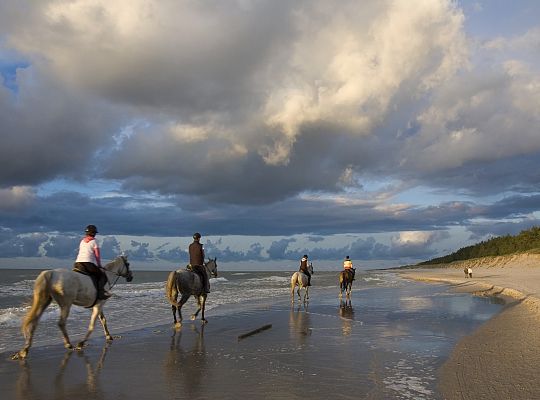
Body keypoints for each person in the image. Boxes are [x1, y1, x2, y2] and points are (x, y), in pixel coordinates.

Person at [73, 225, 111, 300]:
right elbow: (97, 255)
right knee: (102, 276)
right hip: (88, 263)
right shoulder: (94, 241)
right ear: (93, 233)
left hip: (77, 263)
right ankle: (100, 293)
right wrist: (99, 265)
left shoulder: (82, 241)